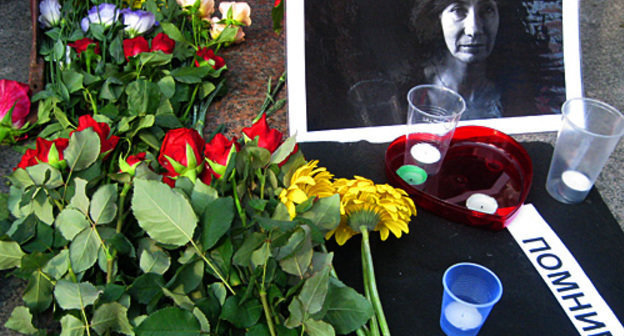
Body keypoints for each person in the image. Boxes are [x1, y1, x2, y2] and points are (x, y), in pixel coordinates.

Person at [412, 0, 503, 120]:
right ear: (439, 17)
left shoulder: (515, 91)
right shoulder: (416, 90)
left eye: (487, 10)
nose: (473, 30)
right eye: (458, 11)